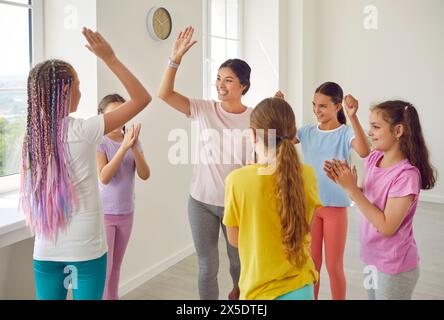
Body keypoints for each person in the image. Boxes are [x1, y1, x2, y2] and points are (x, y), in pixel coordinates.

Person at [20, 27, 151, 300]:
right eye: (78, 85)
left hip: (46, 251)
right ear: (66, 90)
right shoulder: (84, 130)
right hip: (86, 249)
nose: (81, 91)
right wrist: (110, 58)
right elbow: (142, 98)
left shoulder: (31, 138)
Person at [158, 26, 253, 300]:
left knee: (239, 265)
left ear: (243, 86)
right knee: (206, 267)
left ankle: (240, 298)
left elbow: (268, 157)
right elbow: (165, 94)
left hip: (237, 204)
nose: (221, 85)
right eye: (218, 79)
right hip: (200, 202)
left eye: (229, 80)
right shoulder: (203, 108)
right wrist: (174, 59)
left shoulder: (255, 117)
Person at [324, 100, 436, 300]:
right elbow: (372, 200)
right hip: (371, 257)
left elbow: (386, 226)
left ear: (398, 130)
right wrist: (348, 185)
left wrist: (352, 190)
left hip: (394, 268)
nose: (370, 132)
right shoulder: (375, 158)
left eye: (376, 127)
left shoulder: (406, 176)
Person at [277, 82, 370, 299]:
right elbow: (283, 139)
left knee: (334, 267)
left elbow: (364, 151)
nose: (316, 110)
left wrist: (354, 116)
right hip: (310, 207)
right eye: (314, 105)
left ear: (337, 107)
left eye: (323, 106)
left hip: (335, 208)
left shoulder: (345, 132)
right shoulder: (307, 131)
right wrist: (281, 109)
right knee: (312, 264)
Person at [223, 97, 322, 300]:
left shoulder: (237, 180)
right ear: (293, 135)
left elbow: (234, 239)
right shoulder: (308, 174)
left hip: (260, 292)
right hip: (302, 287)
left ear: (252, 135)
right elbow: (306, 225)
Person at [97, 94, 150, 300]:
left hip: (127, 213)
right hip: (105, 214)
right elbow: (104, 177)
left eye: (122, 114)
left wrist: (134, 147)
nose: (118, 120)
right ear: (102, 116)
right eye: (113, 115)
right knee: (106, 268)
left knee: (116, 267)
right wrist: (124, 148)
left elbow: (145, 174)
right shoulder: (100, 142)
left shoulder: (132, 141)